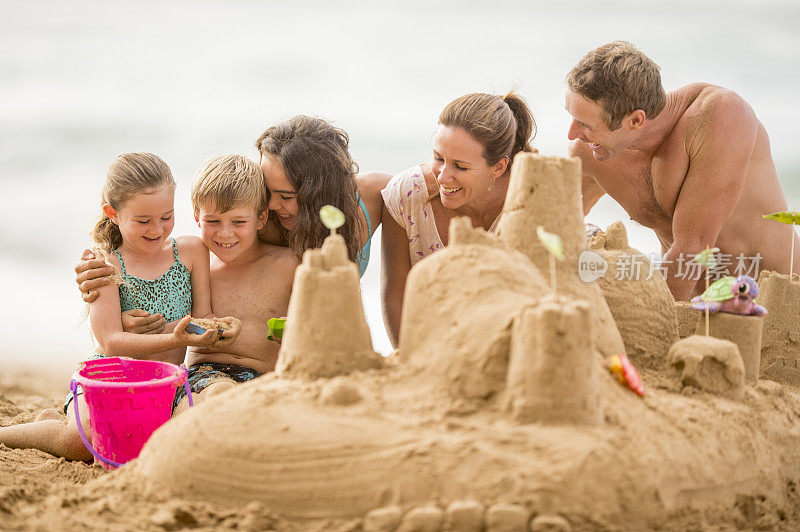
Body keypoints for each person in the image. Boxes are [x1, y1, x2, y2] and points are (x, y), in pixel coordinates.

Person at [0, 153, 227, 460]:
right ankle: (30, 433)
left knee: (172, 438)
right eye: (143, 221)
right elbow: (111, 341)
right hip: (108, 381)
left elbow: (202, 317)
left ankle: (56, 422)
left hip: (165, 385)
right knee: (81, 443)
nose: (157, 229)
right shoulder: (105, 265)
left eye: (167, 216)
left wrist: (217, 327)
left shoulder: (190, 251)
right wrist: (177, 338)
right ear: (113, 213)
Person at [565, 41, 800, 301]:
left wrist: (652, 325)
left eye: (585, 124)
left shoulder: (719, 116)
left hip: (779, 310)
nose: (573, 134)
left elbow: (694, 246)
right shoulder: (589, 153)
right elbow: (554, 226)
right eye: (572, 117)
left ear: (636, 120)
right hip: (695, 315)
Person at [381, 91, 536, 346]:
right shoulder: (406, 195)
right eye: (438, 158)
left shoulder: (529, 201)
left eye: (460, 167)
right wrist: (408, 364)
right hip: (429, 346)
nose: (443, 176)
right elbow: (396, 294)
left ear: (498, 167)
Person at [171, 154, 298, 412]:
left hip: (264, 380)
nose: (225, 233)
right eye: (213, 221)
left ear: (261, 218)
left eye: (239, 222)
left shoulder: (289, 264)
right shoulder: (194, 266)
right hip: (203, 378)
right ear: (197, 216)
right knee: (220, 396)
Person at [255, 115, 390, 278]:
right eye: (267, 191)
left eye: (286, 196)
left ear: (321, 192)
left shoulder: (374, 194)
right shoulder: (260, 225)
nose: (270, 205)